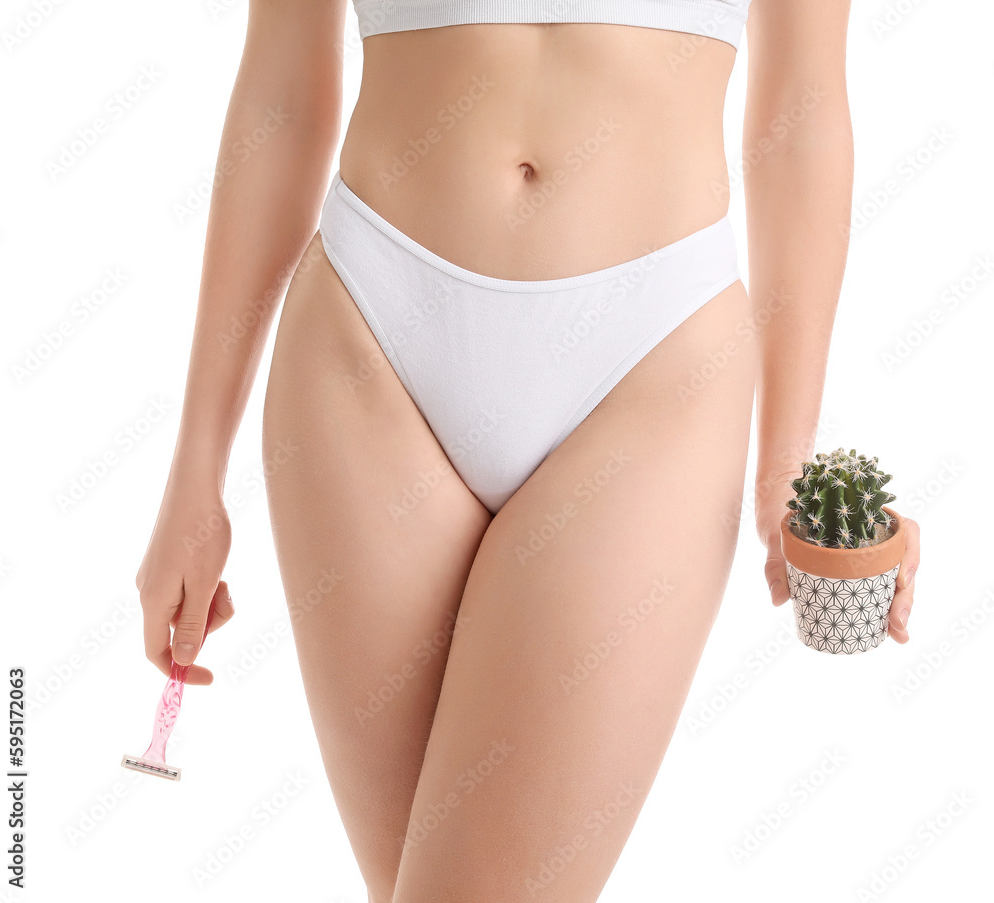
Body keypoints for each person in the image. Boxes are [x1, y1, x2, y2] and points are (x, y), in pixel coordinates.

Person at [135, 0, 921, 900]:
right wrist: (196, 470)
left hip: (651, 363)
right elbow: (282, 92)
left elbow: (803, 111)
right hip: (369, 341)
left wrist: (788, 458)